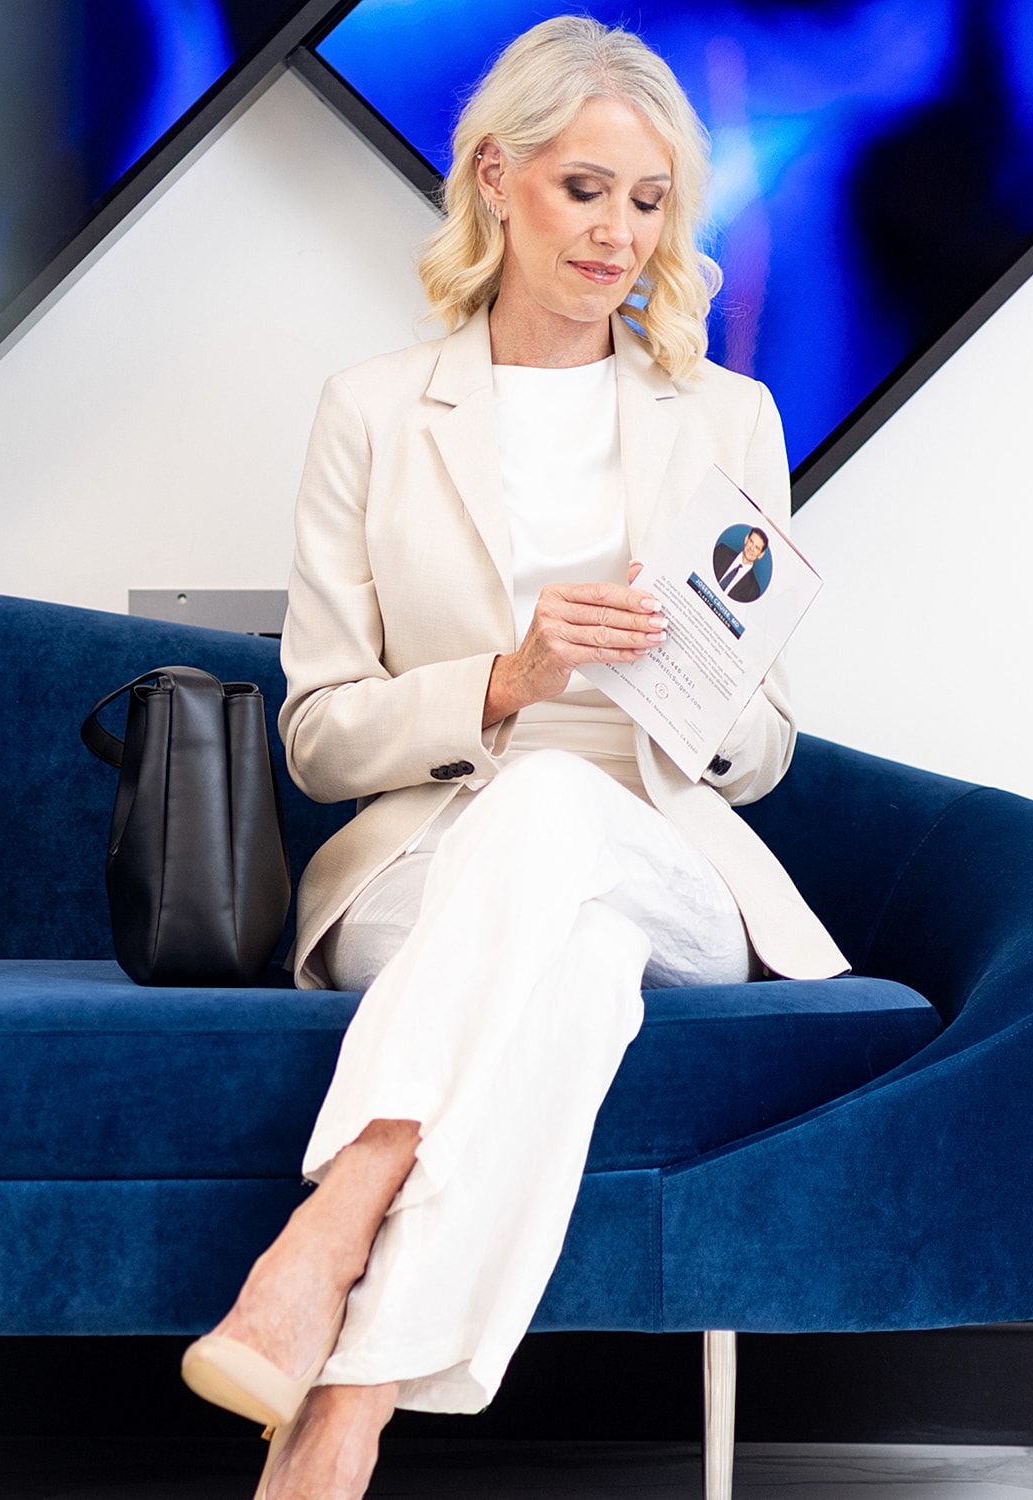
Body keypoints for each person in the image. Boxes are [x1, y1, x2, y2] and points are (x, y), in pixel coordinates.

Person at [181, 17, 846, 1499]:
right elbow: (319, 733)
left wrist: (701, 684)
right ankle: (349, 1403)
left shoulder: (726, 417)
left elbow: (768, 744)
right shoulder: (372, 410)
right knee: (573, 958)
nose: (619, 234)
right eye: (583, 190)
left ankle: (338, 1217)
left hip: (668, 846)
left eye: (650, 201)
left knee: (572, 823)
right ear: (495, 178)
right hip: (425, 868)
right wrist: (508, 681)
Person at [713, 525, 770, 602]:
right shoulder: (721, 552)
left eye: (757, 548)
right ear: (746, 539)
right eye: (751, 542)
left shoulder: (753, 591)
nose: (751, 548)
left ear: (761, 554)